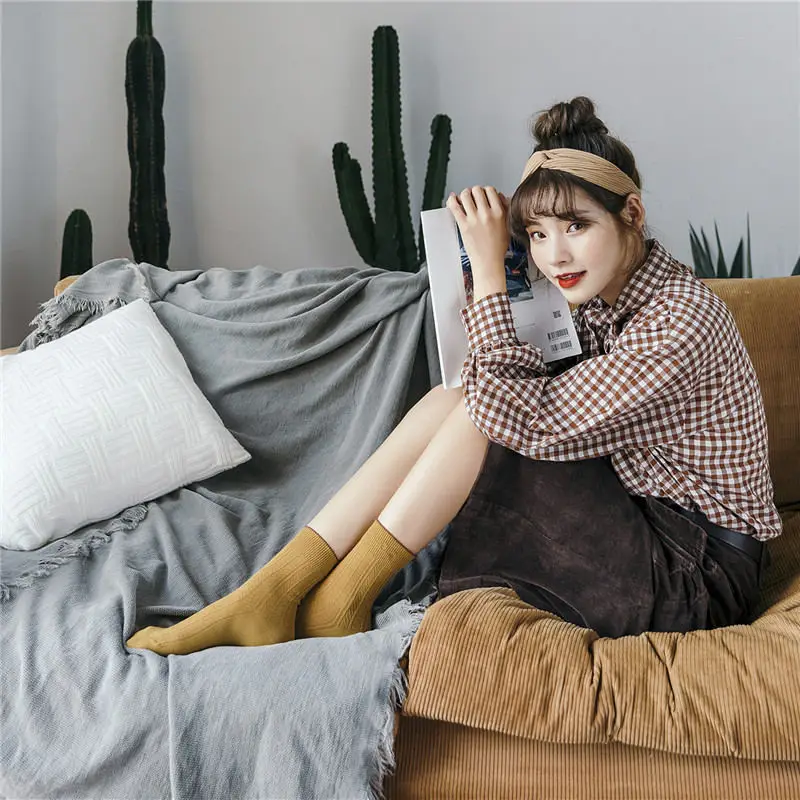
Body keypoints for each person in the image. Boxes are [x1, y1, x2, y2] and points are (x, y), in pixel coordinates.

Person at [126, 96, 782, 656]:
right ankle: (280, 591)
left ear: (631, 215)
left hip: (694, 576)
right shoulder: (604, 292)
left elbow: (520, 416)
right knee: (459, 396)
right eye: (538, 234)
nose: (556, 255)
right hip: (642, 520)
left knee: (480, 407)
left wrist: (493, 273)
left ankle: (330, 600)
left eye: (577, 226)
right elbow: (492, 384)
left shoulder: (679, 322)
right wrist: (486, 266)